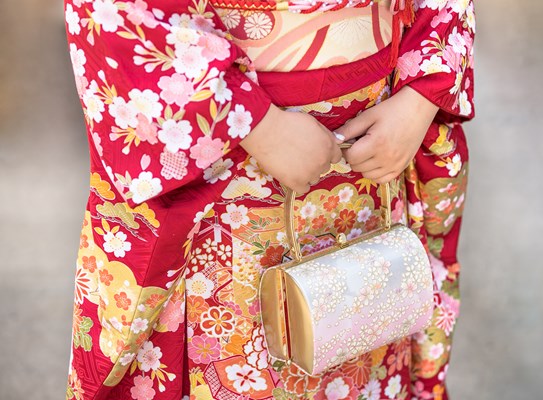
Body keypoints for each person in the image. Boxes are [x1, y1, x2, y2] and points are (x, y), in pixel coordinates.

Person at [63, 0, 474, 398]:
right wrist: (255, 122)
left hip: (376, 143)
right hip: (227, 157)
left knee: (366, 327)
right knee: (237, 349)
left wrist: (418, 100)